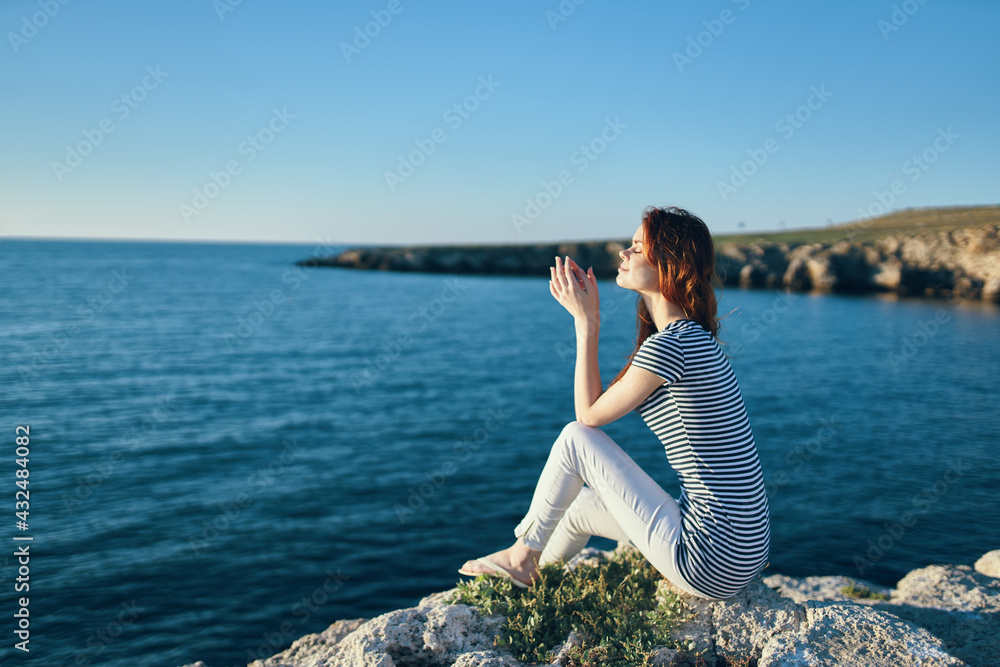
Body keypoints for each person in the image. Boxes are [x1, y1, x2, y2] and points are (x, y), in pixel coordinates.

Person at [458, 205, 771, 600]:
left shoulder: (672, 346)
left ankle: (521, 555)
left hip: (708, 560)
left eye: (638, 248)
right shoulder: (693, 340)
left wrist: (586, 323)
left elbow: (587, 418)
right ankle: (530, 579)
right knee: (583, 507)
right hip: (739, 555)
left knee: (575, 438)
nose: (624, 253)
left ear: (670, 266)